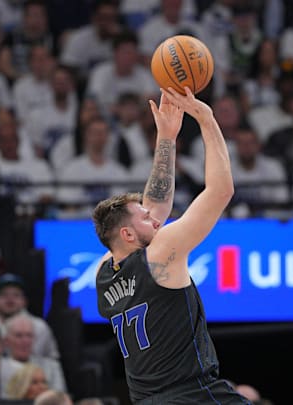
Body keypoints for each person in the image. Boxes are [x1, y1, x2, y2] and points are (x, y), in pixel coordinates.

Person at [93, 87, 250, 404]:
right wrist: (206, 118)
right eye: (144, 219)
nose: (155, 220)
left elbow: (155, 205)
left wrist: (166, 137)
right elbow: (221, 191)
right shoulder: (160, 253)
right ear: (126, 234)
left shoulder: (104, 271)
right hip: (191, 395)